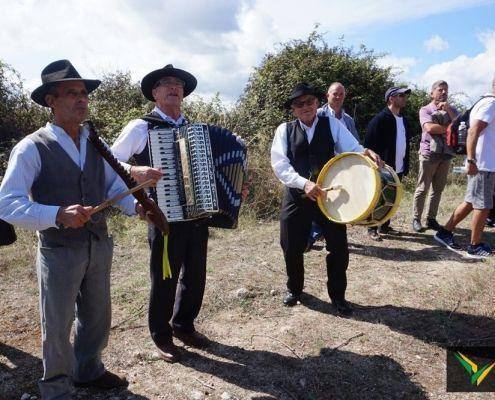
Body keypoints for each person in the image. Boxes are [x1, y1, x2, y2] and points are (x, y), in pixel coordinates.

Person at [0, 60, 138, 399]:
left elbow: (109, 186)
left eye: (84, 94)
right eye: (72, 94)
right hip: (58, 249)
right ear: (51, 100)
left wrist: (137, 208)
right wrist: (57, 214)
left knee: (97, 315)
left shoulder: (93, 141)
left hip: (97, 243)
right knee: (58, 325)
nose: (82, 100)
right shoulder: (32, 146)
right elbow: (6, 203)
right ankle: (56, 388)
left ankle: (88, 370)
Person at [111, 64, 210, 362]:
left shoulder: (195, 129)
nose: (173, 87)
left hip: (196, 213)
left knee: (195, 274)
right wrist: (137, 179)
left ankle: (183, 325)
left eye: (178, 83)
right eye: (166, 83)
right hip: (162, 214)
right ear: (155, 93)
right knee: (164, 277)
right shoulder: (141, 126)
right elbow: (110, 162)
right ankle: (161, 335)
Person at [270, 82, 382, 316]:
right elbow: (280, 165)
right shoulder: (284, 130)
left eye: (309, 101)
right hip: (297, 195)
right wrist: (304, 183)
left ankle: (338, 296)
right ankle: (294, 289)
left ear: (317, 103)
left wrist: (366, 152)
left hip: (330, 196)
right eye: (299, 104)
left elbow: (351, 147)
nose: (305, 107)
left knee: (338, 247)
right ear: (293, 109)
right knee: (290, 245)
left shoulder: (332, 123)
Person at [434, 78, 495, 258]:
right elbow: (473, 131)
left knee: (471, 202)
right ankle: (474, 246)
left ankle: (444, 232)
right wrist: (471, 160)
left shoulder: (487, 102)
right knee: (483, 205)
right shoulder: (490, 104)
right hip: (483, 164)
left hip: (484, 163)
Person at [306, 82, 360, 251]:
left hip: (342, 171)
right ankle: (310, 237)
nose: (338, 97)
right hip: (320, 169)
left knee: (335, 203)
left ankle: (328, 237)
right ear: (327, 96)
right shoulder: (318, 114)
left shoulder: (348, 120)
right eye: (335, 93)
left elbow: (354, 145)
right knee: (318, 205)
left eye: (341, 94)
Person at [364, 86, 412, 241]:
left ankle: (385, 226)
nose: (405, 98)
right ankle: (372, 228)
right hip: (383, 167)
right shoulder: (379, 119)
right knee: (377, 197)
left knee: (392, 197)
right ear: (391, 98)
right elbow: (368, 145)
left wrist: (406, 163)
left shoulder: (404, 120)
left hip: (398, 166)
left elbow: (406, 143)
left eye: (405, 95)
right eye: (401, 95)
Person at [412, 80, 459, 232]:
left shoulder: (452, 110)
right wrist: (450, 128)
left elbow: (461, 126)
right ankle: (416, 219)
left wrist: (449, 112)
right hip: (428, 154)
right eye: (440, 90)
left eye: (446, 90)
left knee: (438, 189)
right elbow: (429, 128)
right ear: (431, 93)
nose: (444, 92)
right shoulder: (425, 110)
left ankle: (431, 219)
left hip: (446, 154)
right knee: (423, 188)